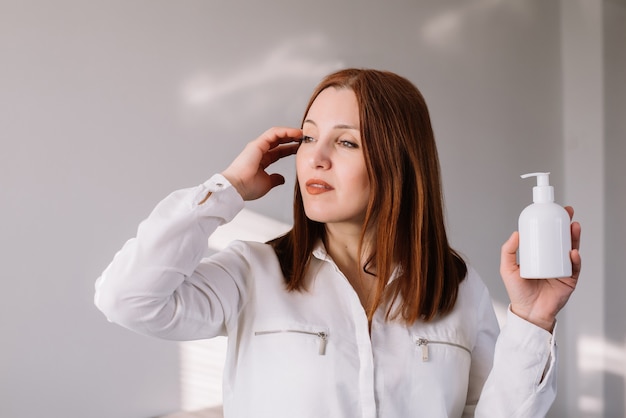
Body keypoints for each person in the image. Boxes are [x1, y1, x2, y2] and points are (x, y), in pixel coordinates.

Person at [95, 68, 582, 417]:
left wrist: (534, 320)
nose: (315, 159)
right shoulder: (252, 272)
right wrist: (228, 189)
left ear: (398, 161)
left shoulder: (458, 288)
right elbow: (126, 299)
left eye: (345, 142)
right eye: (308, 139)